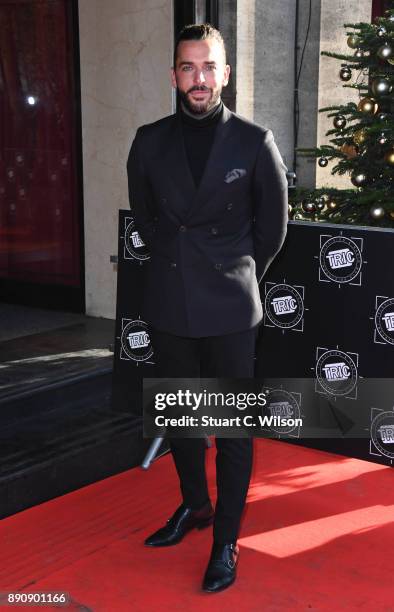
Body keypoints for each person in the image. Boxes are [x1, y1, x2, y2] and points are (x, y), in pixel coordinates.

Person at [127, 23, 288, 593]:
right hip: (170, 302)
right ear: (174, 75)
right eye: (188, 67)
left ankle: (226, 538)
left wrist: (234, 274)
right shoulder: (148, 140)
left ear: (225, 73)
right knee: (182, 420)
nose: (199, 77)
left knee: (231, 431)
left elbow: (271, 231)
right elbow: (144, 218)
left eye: (208, 66)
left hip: (229, 309)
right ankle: (194, 506)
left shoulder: (253, 141)